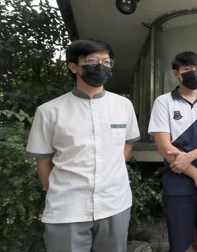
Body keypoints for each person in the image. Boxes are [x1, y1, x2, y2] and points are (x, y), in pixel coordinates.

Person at [25, 38, 140, 252]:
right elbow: (43, 161)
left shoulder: (123, 106)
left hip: (115, 204)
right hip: (67, 208)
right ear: (74, 67)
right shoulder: (50, 111)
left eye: (106, 62)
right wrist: (55, 190)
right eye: (92, 60)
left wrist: (112, 168)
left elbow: (127, 144)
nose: (101, 66)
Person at [148, 51, 197, 252]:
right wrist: (196, 174)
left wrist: (189, 157)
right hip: (178, 184)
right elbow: (164, 146)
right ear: (176, 73)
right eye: (188, 69)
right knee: (183, 245)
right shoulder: (164, 102)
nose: (194, 73)